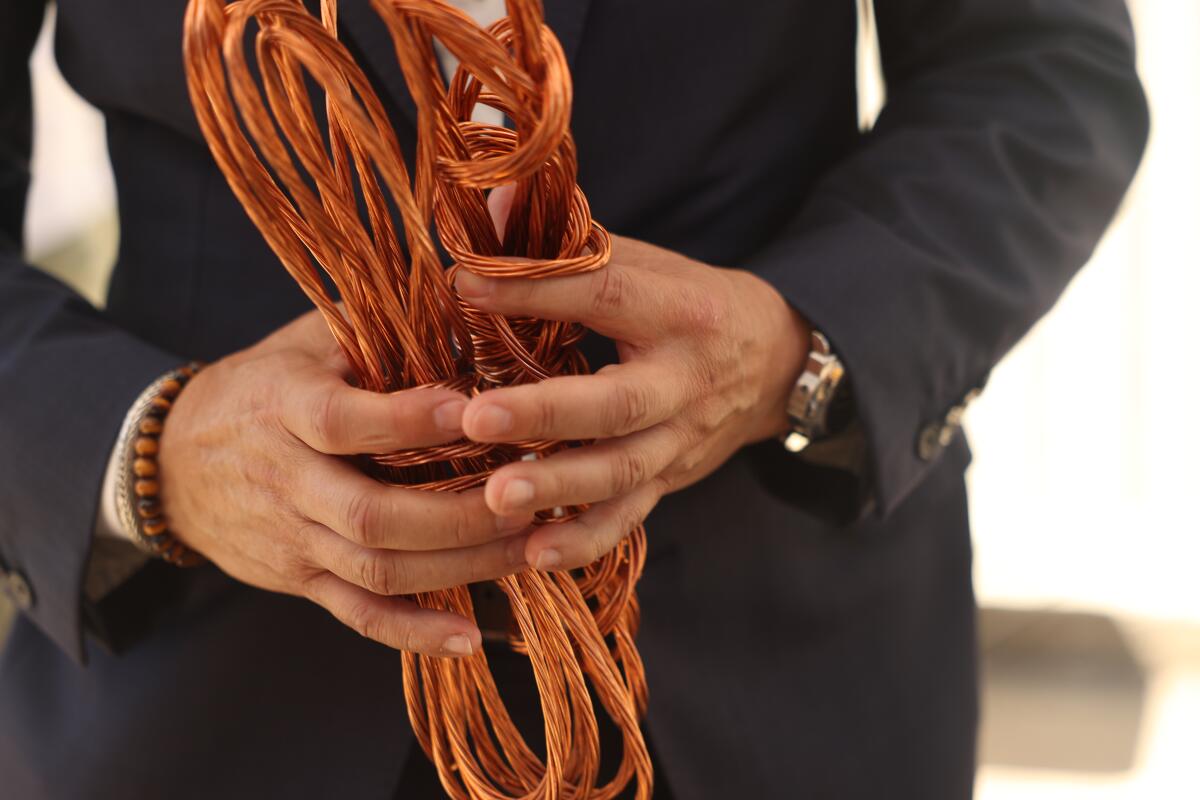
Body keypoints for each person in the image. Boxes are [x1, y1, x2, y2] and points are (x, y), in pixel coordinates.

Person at [0, 0, 1148, 797]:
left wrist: (797, 346)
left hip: (777, 679)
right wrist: (154, 451)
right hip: (207, 700)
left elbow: (1041, 73)